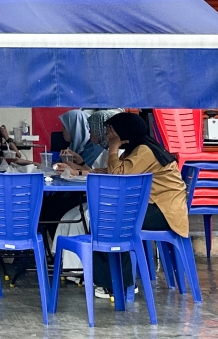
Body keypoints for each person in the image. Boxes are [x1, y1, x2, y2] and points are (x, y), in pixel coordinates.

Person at [87, 112, 189, 299]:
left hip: (164, 212)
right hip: (154, 207)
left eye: (111, 131)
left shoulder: (144, 151)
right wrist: (86, 172)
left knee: (113, 221)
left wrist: (113, 148)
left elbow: (119, 177)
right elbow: (116, 171)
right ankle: (112, 280)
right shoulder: (136, 150)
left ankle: (122, 283)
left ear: (124, 131)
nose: (108, 135)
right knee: (111, 218)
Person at [50, 110, 120, 279]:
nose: (90, 133)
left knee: (60, 211)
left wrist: (77, 171)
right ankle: (67, 266)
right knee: (64, 213)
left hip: (108, 206)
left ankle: (75, 269)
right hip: (97, 200)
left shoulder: (115, 153)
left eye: (94, 129)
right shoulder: (104, 151)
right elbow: (96, 171)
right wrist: (78, 167)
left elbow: (106, 175)